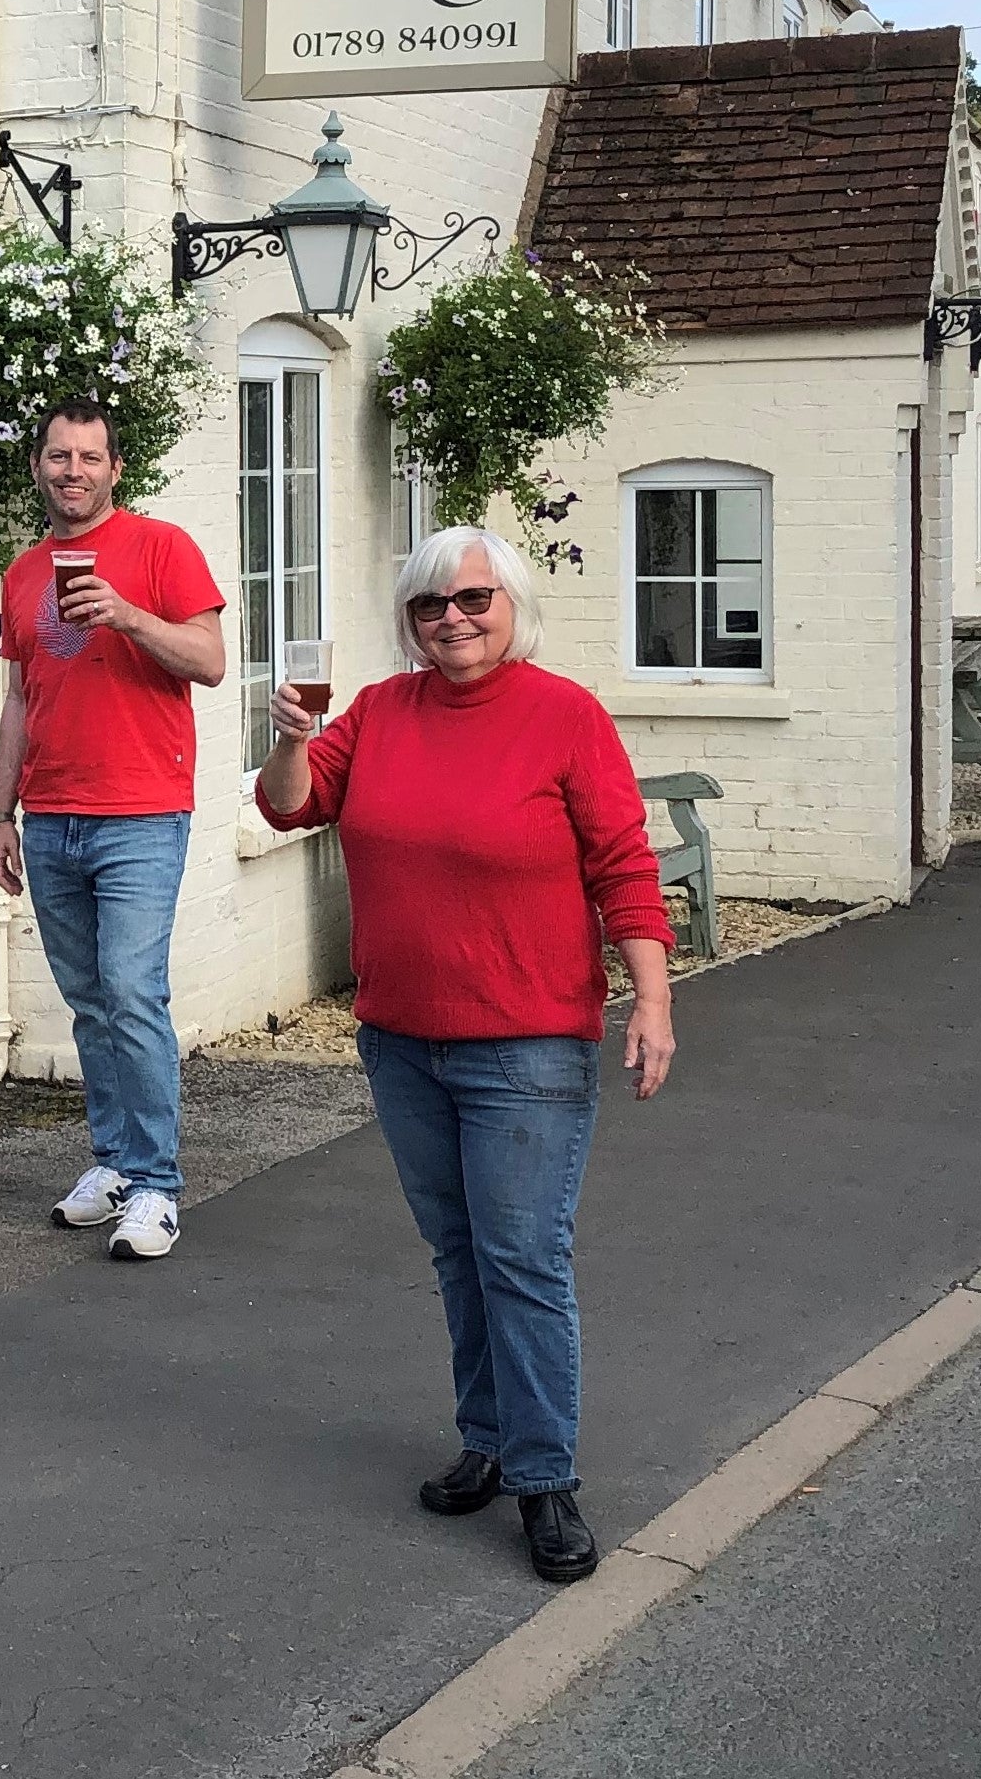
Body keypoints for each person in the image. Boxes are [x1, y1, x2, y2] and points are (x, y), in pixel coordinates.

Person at [254, 525, 679, 1586]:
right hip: (402, 1039)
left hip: (526, 1041)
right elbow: (286, 803)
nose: (451, 618)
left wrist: (650, 996)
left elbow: (622, 863)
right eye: (427, 604)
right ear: (406, 620)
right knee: (459, 1254)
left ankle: (545, 1477)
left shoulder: (562, 715)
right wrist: (291, 735)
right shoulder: (379, 714)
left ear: (510, 604)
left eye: (472, 599)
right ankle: (487, 1438)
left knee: (521, 1259)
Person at [0, 400, 229, 1262]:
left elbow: (209, 660)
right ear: (38, 467)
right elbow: (18, 699)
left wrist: (126, 614)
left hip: (139, 810)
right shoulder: (21, 573)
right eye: (58, 455)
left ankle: (157, 1183)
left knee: (131, 992)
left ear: (114, 469)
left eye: (89, 457)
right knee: (90, 1000)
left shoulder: (160, 549)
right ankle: (115, 1163)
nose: (72, 470)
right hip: (50, 815)